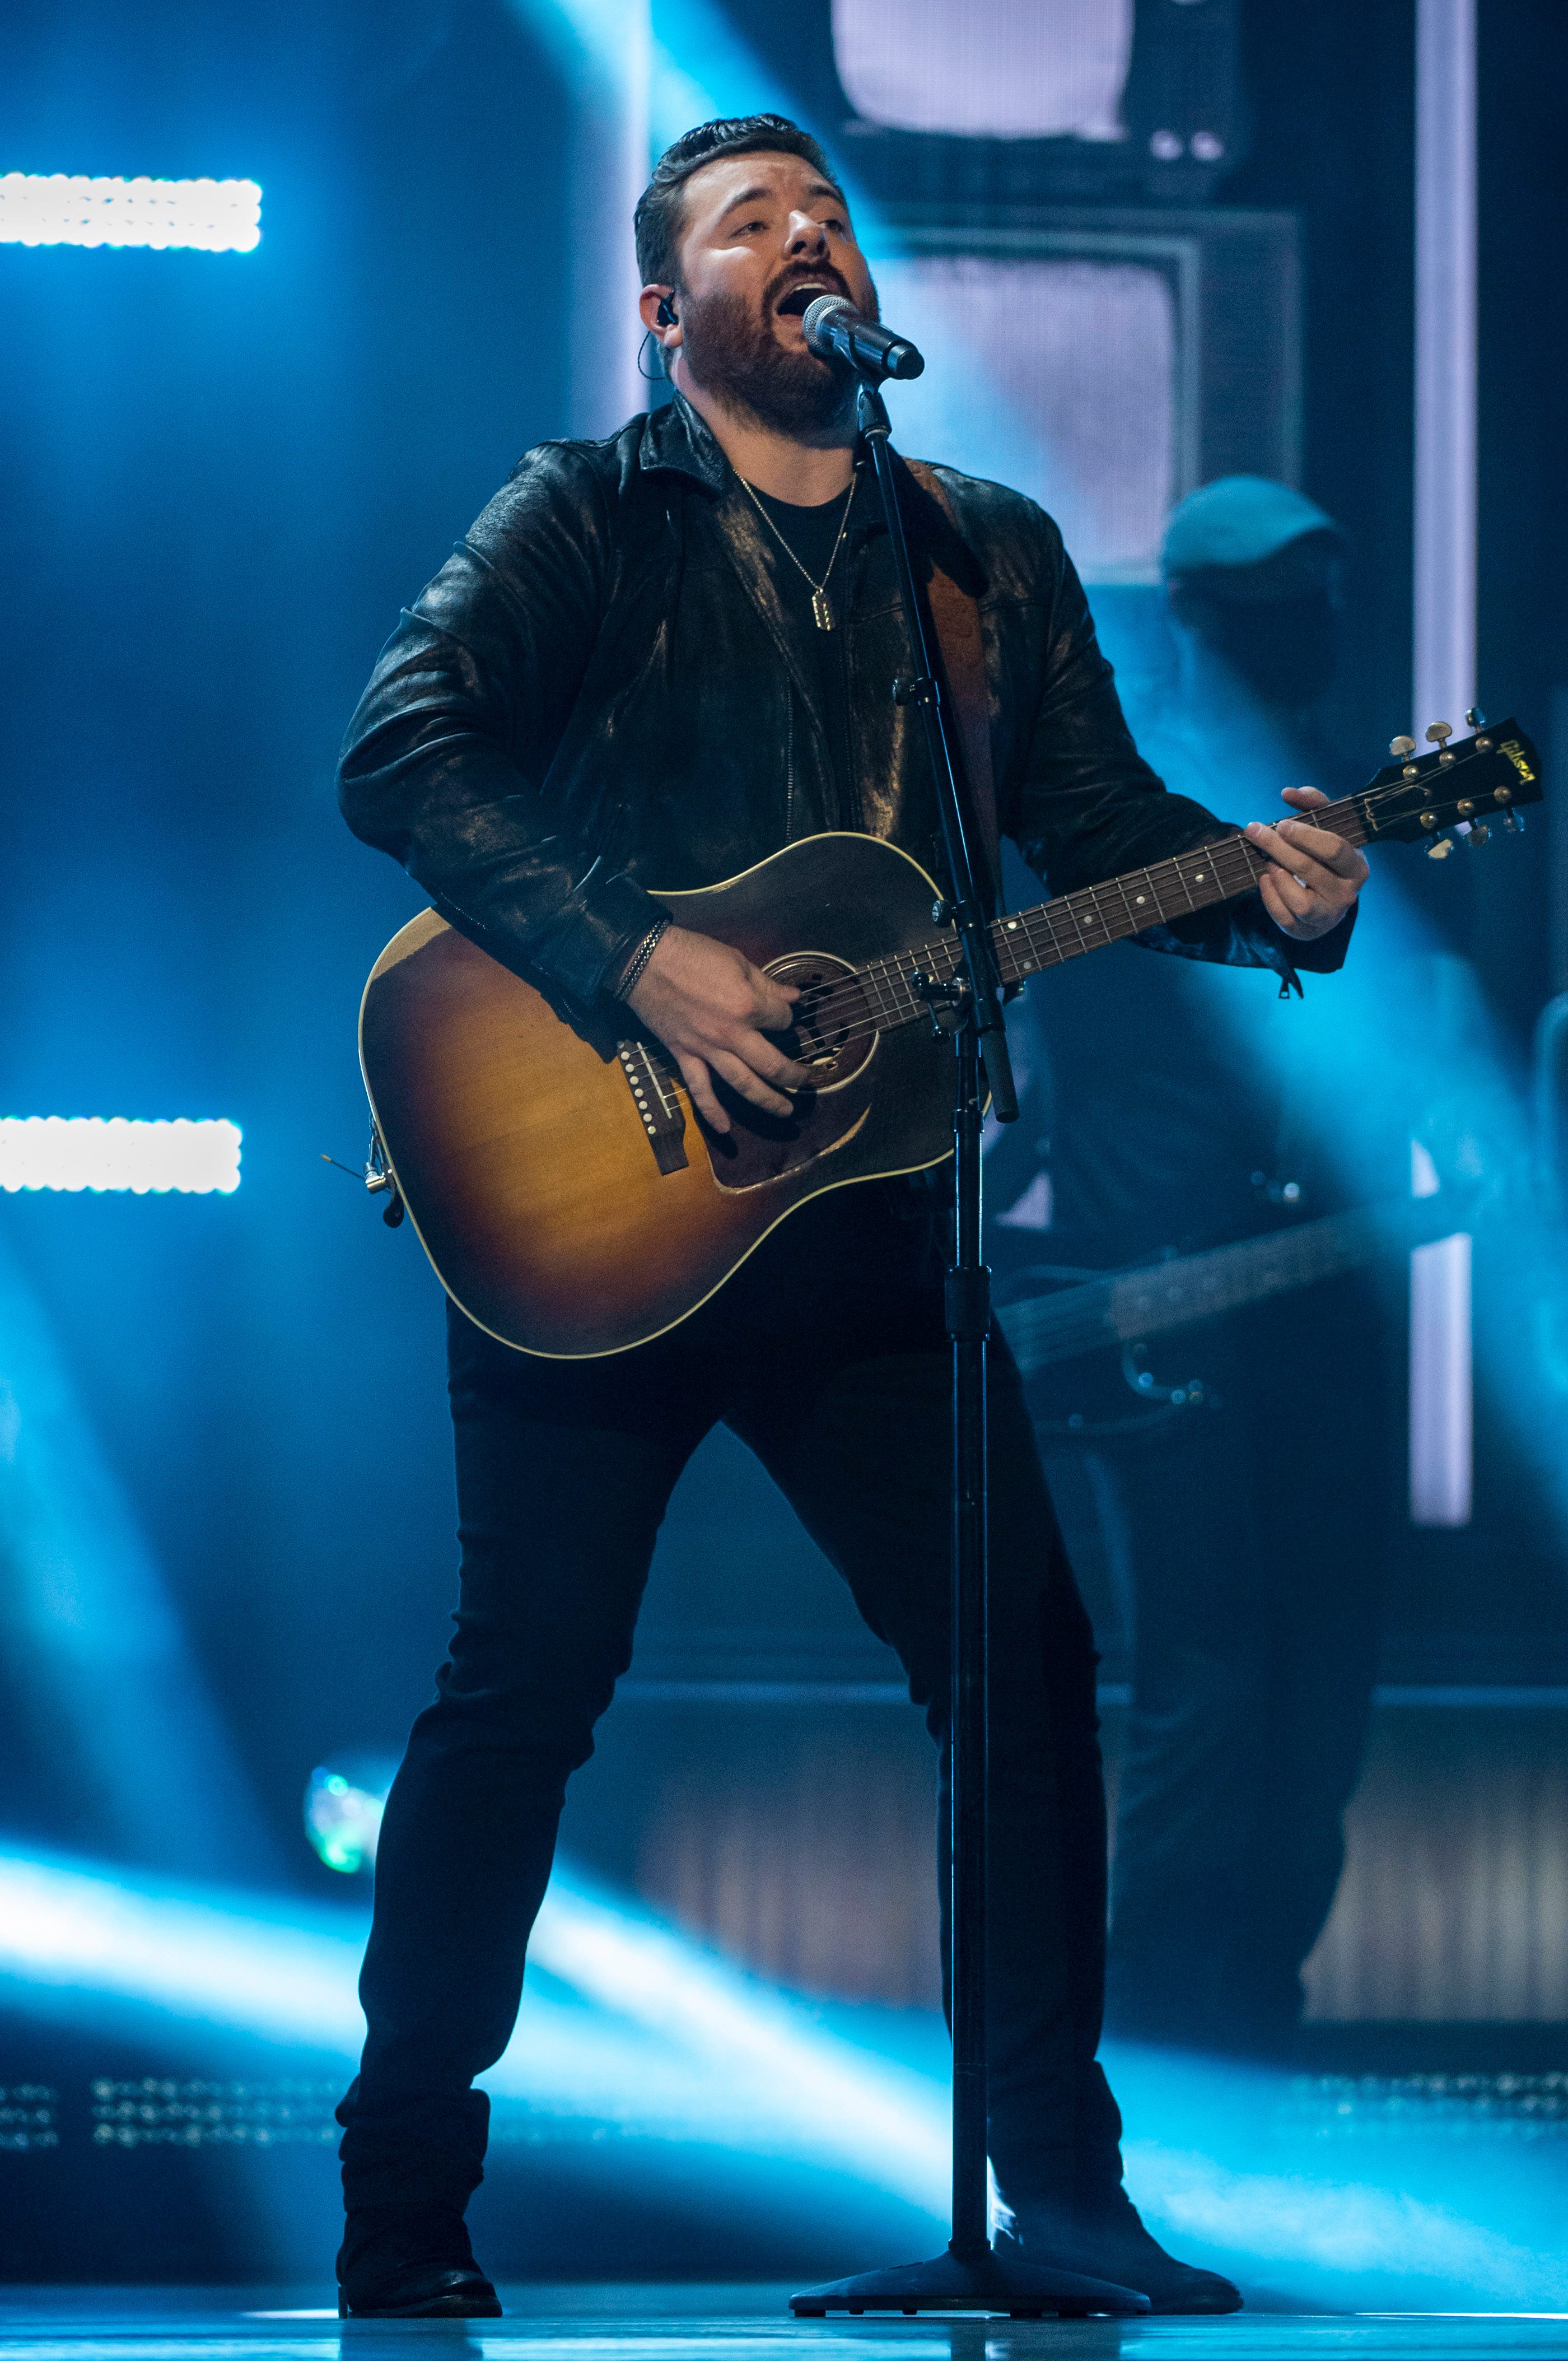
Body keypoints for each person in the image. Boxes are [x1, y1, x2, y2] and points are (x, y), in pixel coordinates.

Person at [331, 119, 1368, 2318]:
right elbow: (403, 753)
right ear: (664, 309)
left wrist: (1265, 897)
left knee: (1022, 1681)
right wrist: (639, 955)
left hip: (879, 1220)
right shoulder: (585, 513)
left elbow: (1090, 829)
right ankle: (402, 2187)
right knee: (523, 1686)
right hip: (586, 1197)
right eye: (744, 219)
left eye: (821, 210)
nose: (802, 235)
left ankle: (1052, 2198)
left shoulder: (976, 551)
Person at [986, 477, 1391, 2057]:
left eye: (1327, 604)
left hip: (1329, 1301)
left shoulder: (1360, 805)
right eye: (1283, 608)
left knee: (1321, 1701)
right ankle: (1156, 2087)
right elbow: (1020, 1045)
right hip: (1157, 1298)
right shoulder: (1104, 799)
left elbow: (1402, 1056)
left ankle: (1257, 2058)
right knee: (1205, 1692)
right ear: (1207, 621)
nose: (1318, 636)